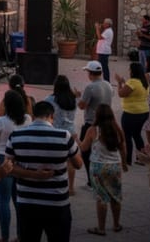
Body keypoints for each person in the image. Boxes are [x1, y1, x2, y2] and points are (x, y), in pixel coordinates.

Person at [6, 101, 84, 242]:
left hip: (27, 202)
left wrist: (32, 174)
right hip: (57, 203)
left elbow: (8, 167)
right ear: (51, 116)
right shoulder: (64, 136)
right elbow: (78, 164)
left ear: (33, 115)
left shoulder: (16, 136)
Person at [0, 90, 31, 242]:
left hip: (2, 158)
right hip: (20, 159)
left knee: (3, 200)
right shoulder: (28, 119)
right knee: (19, 200)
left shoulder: (2, 121)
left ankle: (4, 237)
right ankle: (21, 235)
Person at [78, 104, 127, 236]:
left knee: (101, 198)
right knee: (115, 197)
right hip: (114, 166)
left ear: (97, 116)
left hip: (98, 167)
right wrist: (124, 163)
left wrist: (76, 139)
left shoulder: (93, 130)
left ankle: (101, 228)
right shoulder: (117, 130)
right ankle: (116, 225)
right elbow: (123, 147)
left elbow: (83, 148)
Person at [77, 61, 113, 187]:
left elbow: (82, 106)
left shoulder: (90, 87)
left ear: (90, 73)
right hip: (107, 123)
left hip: (91, 124)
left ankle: (91, 181)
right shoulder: (108, 85)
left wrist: (77, 97)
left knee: (86, 152)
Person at [46, 75, 78, 194]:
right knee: (71, 161)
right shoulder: (73, 99)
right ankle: (71, 188)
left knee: (53, 160)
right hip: (71, 132)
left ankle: (52, 183)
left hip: (56, 132)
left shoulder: (51, 99)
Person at [114, 62, 150, 165]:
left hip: (131, 113)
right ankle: (142, 158)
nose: (129, 71)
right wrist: (124, 82)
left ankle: (127, 159)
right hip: (144, 112)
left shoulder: (132, 82)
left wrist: (119, 82)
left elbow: (121, 94)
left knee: (127, 136)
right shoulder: (144, 82)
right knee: (137, 134)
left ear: (133, 71)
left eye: (129, 69)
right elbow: (133, 91)